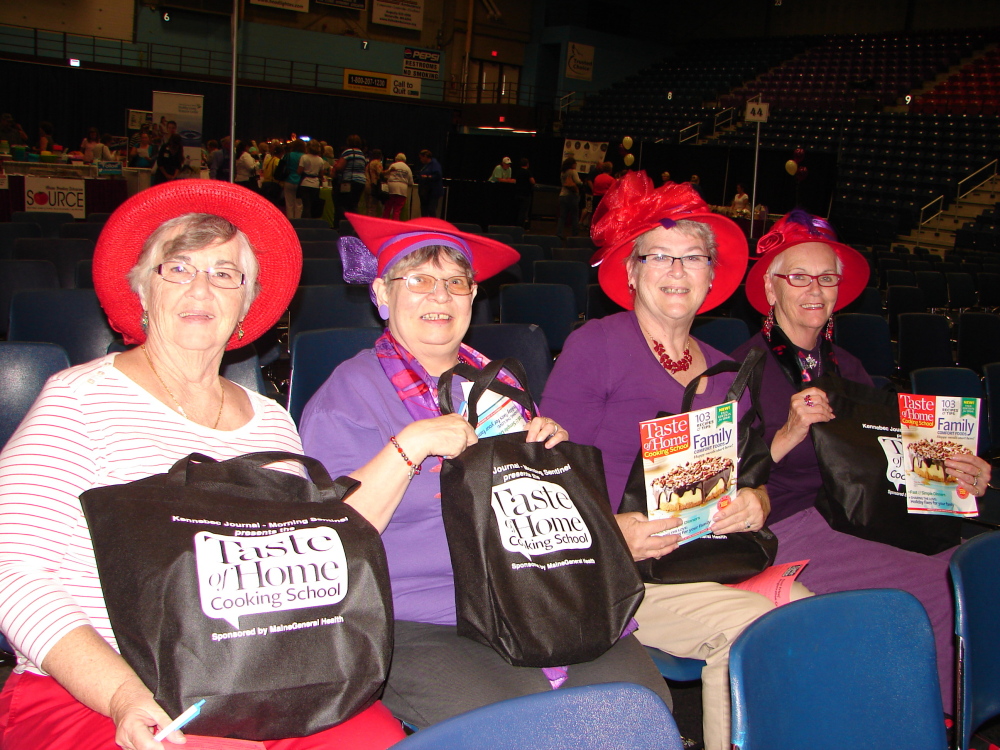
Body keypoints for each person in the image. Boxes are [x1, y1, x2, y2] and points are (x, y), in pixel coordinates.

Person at [0, 181, 406, 750]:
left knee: (383, 742)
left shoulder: (270, 423)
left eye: (224, 274)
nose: (201, 288)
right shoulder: (79, 399)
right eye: (178, 268)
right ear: (143, 291)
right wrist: (121, 694)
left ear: (246, 304)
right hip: (99, 688)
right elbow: (14, 572)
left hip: (257, 677)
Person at [299, 212, 673, 730]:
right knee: (532, 732)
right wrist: (411, 445)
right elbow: (328, 542)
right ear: (382, 295)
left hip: (538, 591)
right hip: (425, 618)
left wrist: (549, 460)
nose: (440, 296)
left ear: (473, 298)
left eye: (455, 282)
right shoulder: (347, 397)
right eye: (419, 280)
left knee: (641, 712)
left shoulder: (498, 387)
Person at [541, 172, 810, 750]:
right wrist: (613, 531)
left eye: (692, 257)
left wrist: (754, 503)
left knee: (811, 616)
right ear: (631, 272)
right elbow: (545, 475)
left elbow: (751, 470)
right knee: (751, 629)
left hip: (706, 554)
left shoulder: (721, 365)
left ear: (712, 278)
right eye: (658, 256)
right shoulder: (598, 346)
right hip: (616, 566)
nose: (676, 270)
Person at [731, 209, 993, 714]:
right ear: (770, 287)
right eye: (799, 277)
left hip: (857, 515)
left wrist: (955, 474)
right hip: (786, 524)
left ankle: (950, 712)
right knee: (934, 592)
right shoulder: (740, 371)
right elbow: (730, 482)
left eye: (827, 278)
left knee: (967, 572)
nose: (815, 290)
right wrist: (787, 434)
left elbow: (880, 458)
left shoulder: (848, 368)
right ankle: (929, 724)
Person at [334, 135, 367, 225]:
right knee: (354, 205)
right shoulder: (361, 154)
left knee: (343, 205)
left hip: (349, 181)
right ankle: (356, 225)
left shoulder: (348, 152)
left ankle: (342, 225)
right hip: (361, 182)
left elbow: (340, 167)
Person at [297, 140, 326, 219]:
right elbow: (321, 174)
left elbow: (299, 171)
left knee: (306, 205)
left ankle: (304, 223)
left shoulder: (304, 157)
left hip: (305, 183)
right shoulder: (320, 160)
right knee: (313, 206)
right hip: (315, 184)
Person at [556, 156, 582, 241]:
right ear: (573, 164)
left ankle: (559, 233)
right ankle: (575, 234)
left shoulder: (563, 172)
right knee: (574, 216)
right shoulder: (573, 172)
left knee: (562, 217)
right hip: (572, 196)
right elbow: (577, 182)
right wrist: (582, 183)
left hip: (562, 195)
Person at [382, 153, 414, 221]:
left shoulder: (393, 165)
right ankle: (395, 224)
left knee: (388, 208)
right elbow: (411, 182)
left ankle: (384, 223)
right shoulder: (407, 168)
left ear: (396, 159)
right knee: (397, 210)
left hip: (391, 188)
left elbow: (387, 176)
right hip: (402, 190)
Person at [281, 139, 306, 220]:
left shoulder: (288, 155)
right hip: (300, 182)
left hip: (288, 180)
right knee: (299, 204)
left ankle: (290, 222)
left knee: (289, 203)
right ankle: (297, 222)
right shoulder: (304, 156)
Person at [416, 149, 444, 219]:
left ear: (425, 156)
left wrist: (427, 177)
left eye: (421, 157)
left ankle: (433, 225)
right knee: (424, 210)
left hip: (433, 192)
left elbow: (438, 175)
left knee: (431, 209)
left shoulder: (435, 164)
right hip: (425, 192)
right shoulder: (426, 166)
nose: (420, 160)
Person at [513, 157, 536, 230]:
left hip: (517, 194)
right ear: (527, 164)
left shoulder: (518, 172)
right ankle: (521, 227)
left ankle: (516, 225)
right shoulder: (528, 172)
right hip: (525, 195)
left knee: (518, 210)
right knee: (523, 212)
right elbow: (533, 182)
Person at [364, 149, 384, 217]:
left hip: (366, 185)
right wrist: (390, 171)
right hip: (373, 186)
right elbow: (380, 173)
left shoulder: (368, 164)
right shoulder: (377, 163)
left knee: (368, 206)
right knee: (373, 207)